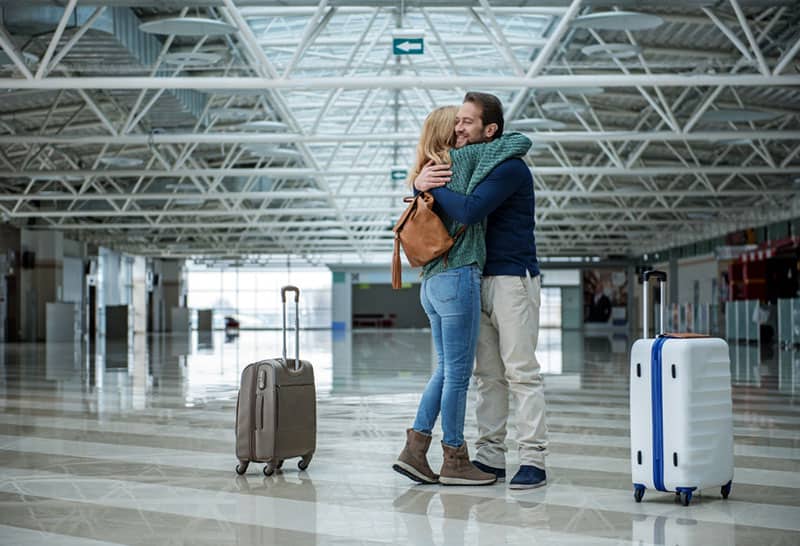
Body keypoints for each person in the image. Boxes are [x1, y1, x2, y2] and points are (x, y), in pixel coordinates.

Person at [413, 92, 548, 490]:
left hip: (512, 279)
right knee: (488, 375)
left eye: (467, 122)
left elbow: (470, 210)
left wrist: (429, 187)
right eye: (457, 121)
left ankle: (533, 459)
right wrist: (421, 180)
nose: (459, 128)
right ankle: (490, 455)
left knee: (521, 371)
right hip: (475, 280)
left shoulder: (509, 169)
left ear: (490, 129)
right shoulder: (473, 166)